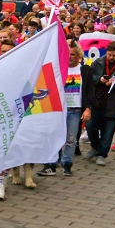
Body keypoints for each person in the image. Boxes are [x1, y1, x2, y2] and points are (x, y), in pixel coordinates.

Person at [41, 40, 85, 178]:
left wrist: (88, 108)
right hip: (58, 108)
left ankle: (67, 164)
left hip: (75, 109)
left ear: (78, 55)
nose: (70, 57)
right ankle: (51, 164)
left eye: (73, 54)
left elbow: (89, 91)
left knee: (71, 139)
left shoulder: (84, 70)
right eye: (67, 54)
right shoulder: (58, 68)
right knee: (54, 136)